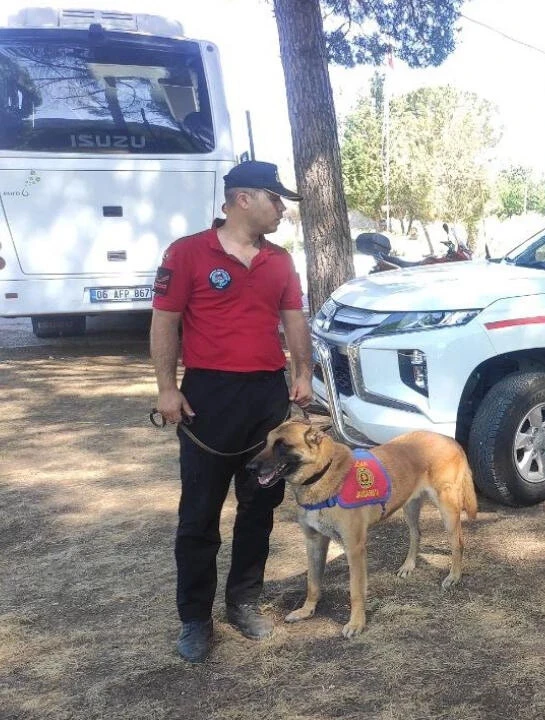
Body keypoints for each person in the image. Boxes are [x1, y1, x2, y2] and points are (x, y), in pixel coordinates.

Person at [150, 160, 313, 663]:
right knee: (199, 514)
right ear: (244, 199)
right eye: (275, 199)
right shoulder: (187, 253)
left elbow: (294, 320)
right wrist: (166, 388)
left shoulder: (280, 261)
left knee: (259, 507)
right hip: (208, 397)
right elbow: (165, 323)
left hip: (265, 396)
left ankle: (243, 600)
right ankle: (195, 619)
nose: (282, 210)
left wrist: (301, 374)